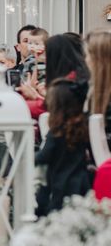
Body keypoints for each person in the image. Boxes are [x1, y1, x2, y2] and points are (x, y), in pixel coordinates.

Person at [35, 79, 93, 215]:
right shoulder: (82, 126)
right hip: (81, 182)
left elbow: (44, 156)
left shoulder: (57, 131)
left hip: (60, 184)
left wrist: (28, 157)